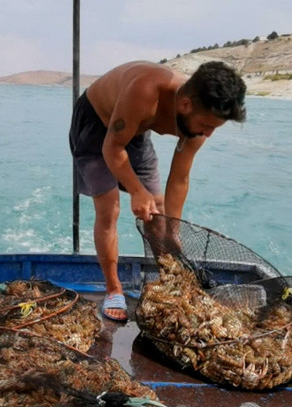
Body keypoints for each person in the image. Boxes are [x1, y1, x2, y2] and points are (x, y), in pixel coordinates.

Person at [69, 60, 247, 321]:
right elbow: (112, 148)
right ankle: (114, 289)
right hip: (97, 124)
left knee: (158, 212)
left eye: (214, 128)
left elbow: (179, 178)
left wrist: (173, 231)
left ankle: (168, 284)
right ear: (185, 105)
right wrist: (136, 191)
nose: (208, 135)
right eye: (206, 126)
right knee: (110, 208)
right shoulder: (145, 92)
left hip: (134, 129)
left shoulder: (197, 121)